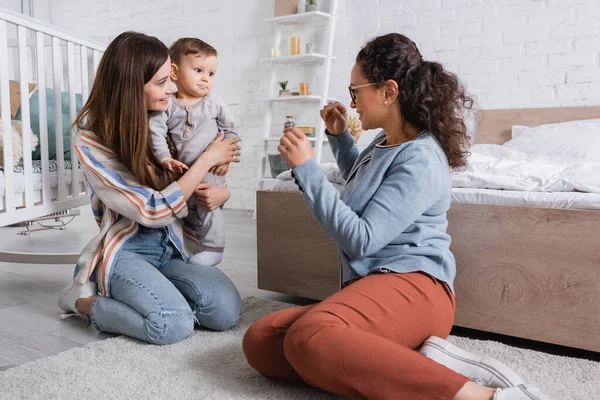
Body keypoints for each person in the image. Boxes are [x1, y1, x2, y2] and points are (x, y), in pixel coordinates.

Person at [242, 33, 549, 400]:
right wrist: (339, 139)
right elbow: (366, 187)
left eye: (356, 91)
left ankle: (482, 395)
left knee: (310, 336)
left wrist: (308, 170)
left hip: (416, 287)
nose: (352, 102)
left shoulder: (421, 158)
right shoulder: (385, 142)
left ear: (388, 92)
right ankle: (408, 360)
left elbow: (360, 238)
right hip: (373, 285)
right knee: (262, 340)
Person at [57, 31, 242, 345]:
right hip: (127, 250)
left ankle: (158, 294)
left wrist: (223, 192)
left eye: (170, 77)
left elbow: (201, 181)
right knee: (172, 324)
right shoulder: (89, 141)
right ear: (130, 87)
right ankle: (82, 303)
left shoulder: (164, 119)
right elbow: (152, 210)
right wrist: (208, 159)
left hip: (172, 246)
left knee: (225, 311)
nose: (173, 87)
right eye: (161, 82)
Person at [149, 38, 238, 267]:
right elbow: (155, 132)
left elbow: (230, 130)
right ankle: (190, 245)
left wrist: (226, 160)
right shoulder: (168, 105)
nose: (205, 78)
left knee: (208, 205)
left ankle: (214, 247)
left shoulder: (214, 103)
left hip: (211, 169)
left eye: (211, 73)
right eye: (198, 70)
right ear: (175, 72)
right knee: (187, 210)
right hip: (183, 170)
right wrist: (164, 158)